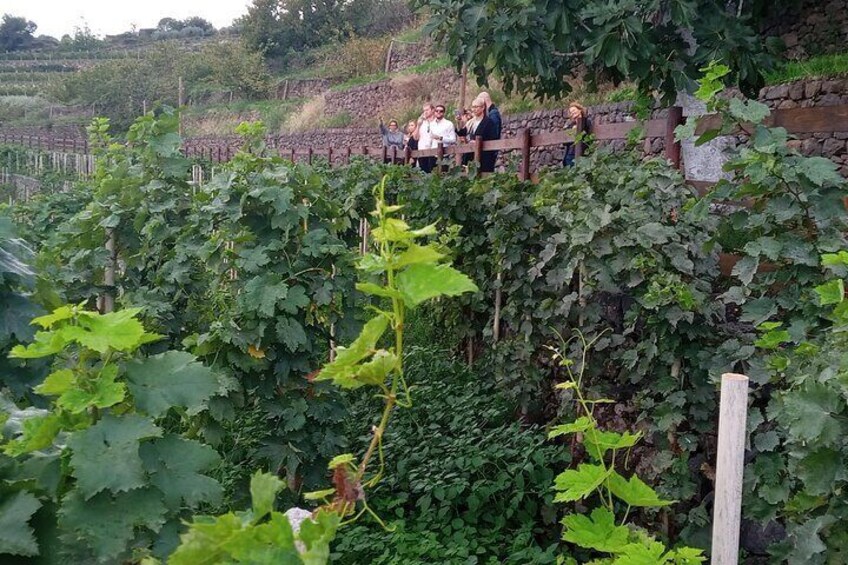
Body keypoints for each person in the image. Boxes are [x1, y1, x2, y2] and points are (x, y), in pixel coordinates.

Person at [467, 96, 498, 173]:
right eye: (472, 107)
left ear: (483, 107)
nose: (473, 109)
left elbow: (493, 139)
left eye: (476, 107)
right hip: (471, 156)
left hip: (485, 158)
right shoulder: (471, 123)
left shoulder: (489, 122)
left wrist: (479, 143)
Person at [562, 102, 590, 167]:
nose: (572, 113)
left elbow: (586, 133)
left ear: (580, 110)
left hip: (582, 154)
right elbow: (564, 142)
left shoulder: (586, 121)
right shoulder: (570, 125)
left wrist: (578, 127)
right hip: (570, 155)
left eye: (574, 110)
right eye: (571, 112)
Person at [413, 103, 436, 173]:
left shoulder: (436, 122)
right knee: (424, 173)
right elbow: (415, 137)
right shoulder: (422, 123)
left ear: (432, 110)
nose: (425, 112)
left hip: (433, 151)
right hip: (422, 151)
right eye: (424, 110)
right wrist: (418, 125)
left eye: (427, 110)